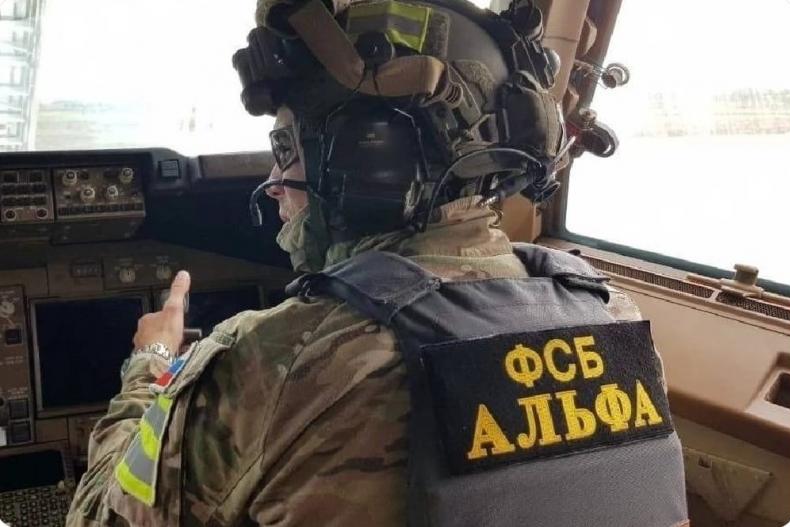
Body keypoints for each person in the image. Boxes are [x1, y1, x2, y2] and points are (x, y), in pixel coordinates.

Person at [67, 0, 688, 525]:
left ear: (368, 155)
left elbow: (99, 515)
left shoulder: (279, 357)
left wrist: (151, 366)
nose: (274, 181)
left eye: (286, 147)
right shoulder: (611, 319)